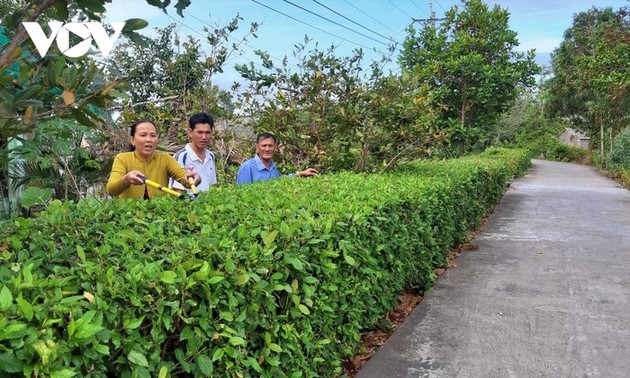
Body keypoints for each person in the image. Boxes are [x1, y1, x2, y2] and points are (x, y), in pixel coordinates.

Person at [106, 119, 200, 199]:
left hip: (160, 217)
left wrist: (194, 178)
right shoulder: (122, 158)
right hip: (129, 218)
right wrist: (126, 179)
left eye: (153, 135)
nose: (149, 139)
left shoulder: (165, 158)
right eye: (143, 135)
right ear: (132, 140)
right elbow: (110, 190)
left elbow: (184, 177)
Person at [236, 132, 318, 185]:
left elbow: (278, 180)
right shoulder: (247, 167)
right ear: (257, 147)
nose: (267, 149)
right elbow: (242, 193)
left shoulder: (272, 166)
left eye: (270, 146)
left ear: (275, 148)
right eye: (264, 146)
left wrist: (300, 174)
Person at [169, 112, 217, 192]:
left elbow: (212, 185)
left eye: (207, 133)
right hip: (189, 203)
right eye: (200, 132)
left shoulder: (210, 156)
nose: (204, 137)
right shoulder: (182, 156)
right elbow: (176, 190)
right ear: (190, 132)